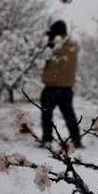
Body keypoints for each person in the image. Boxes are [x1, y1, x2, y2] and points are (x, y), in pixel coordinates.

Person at [40, 20, 82, 148]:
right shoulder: (73, 47)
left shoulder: (55, 47)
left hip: (52, 87)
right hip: (67, 87)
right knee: (70, 116)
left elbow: (45, 58)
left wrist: (48, 41)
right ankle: (76, 140)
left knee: (47, 115)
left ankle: (47, 140)